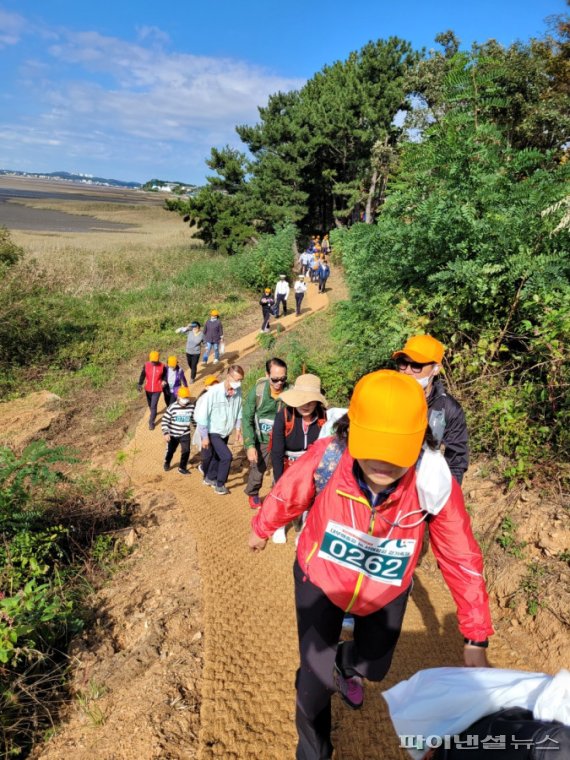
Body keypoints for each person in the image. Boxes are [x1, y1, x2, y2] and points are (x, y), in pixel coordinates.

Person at [248, 370, 493, 760]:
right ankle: (314, 751)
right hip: (321, 576)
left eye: (394, 451)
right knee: (313, 686)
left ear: (419, 442)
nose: (380, 464)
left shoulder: (432, 478)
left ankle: (346, 663)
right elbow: (289, 491)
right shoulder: (331, 454)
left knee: (375, 666)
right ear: (350, 431)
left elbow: (461, 556)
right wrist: (262, 528)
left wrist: (475, 635)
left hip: (386, 587)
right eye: (372, 446)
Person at [393, 335, 469, 484]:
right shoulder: (384, 395)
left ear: (435, 369)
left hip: (419, 486)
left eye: (416, 365)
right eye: (403, 363)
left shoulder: (448, 409)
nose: (407, 371)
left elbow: (456, 461)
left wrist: (448, 498)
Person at [270, 374, 327, 543]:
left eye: (311, 400)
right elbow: (277, 451)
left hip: (313, 464)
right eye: (302, 399)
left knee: (310, 498)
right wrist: (279, 479)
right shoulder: (285, 415)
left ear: (317, 401)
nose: (306, 405)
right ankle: (280, 525)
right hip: (289, 463)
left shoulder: (324, 418)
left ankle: (303, 529)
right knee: (285, 496)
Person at [242, 358, 289, 509]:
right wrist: (249, 445)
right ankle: (253, 493)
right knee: (259, 467)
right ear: (267, 375)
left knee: (284, 468)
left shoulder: (290, 393)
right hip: (262, 437)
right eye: (275, 379)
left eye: (283, 378)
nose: (279, 383)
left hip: (283, 437)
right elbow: (247, 418)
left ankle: (279, 495)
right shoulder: (258, 392)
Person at [194, 365, 244, 495]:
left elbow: (239, 410)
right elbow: (202, 416)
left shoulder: (237, 391)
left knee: (217, 456)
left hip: (226, 430)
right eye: (236, 379)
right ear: (228, 376)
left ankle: (209, 478)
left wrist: (238, 429)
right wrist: (204, 436)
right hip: (213, 431)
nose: (238, 383)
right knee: (227, 456)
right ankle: (220, 484)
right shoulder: (213, 392)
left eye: (240, 380)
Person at [161, 386, 195, 475]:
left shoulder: (191, 407)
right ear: (178, 397)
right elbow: (165, 420)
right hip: (173, 434)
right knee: (171, 451)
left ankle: (182, 467)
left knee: (186, 450)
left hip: (185, 433)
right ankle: (167, 462)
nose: (185, 399)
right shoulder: (172, 407)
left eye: (187, 397)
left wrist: (197, 430)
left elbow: (194, 420)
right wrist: (166, 432)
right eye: (183, 397)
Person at [137, 350, 166, 430]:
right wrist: (139, 384)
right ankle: (153, 413)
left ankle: (151, 422)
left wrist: (164, 380)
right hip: (148, 389)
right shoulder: (146, 365)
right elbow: (142, 375)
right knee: (150, 405)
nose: (153, 363)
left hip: (157, 389)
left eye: (155, 361)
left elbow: (165, 376)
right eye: (152, 361)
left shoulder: (162, 366)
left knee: (153, 406)